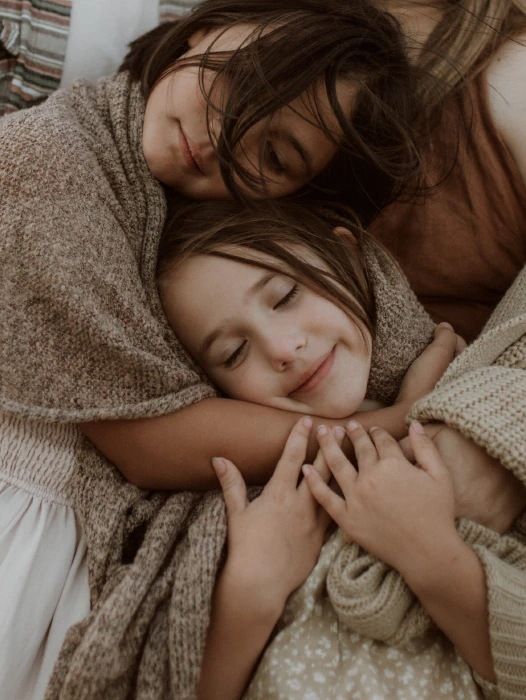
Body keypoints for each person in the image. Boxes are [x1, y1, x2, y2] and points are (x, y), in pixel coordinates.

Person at [155, 199, 524, 699]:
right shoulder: (241, 507)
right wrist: (248, 594)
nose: (283, 348)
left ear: (346, 255)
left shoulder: (484, 387)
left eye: (286, 296)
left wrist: (428, 552)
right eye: (234, 353)